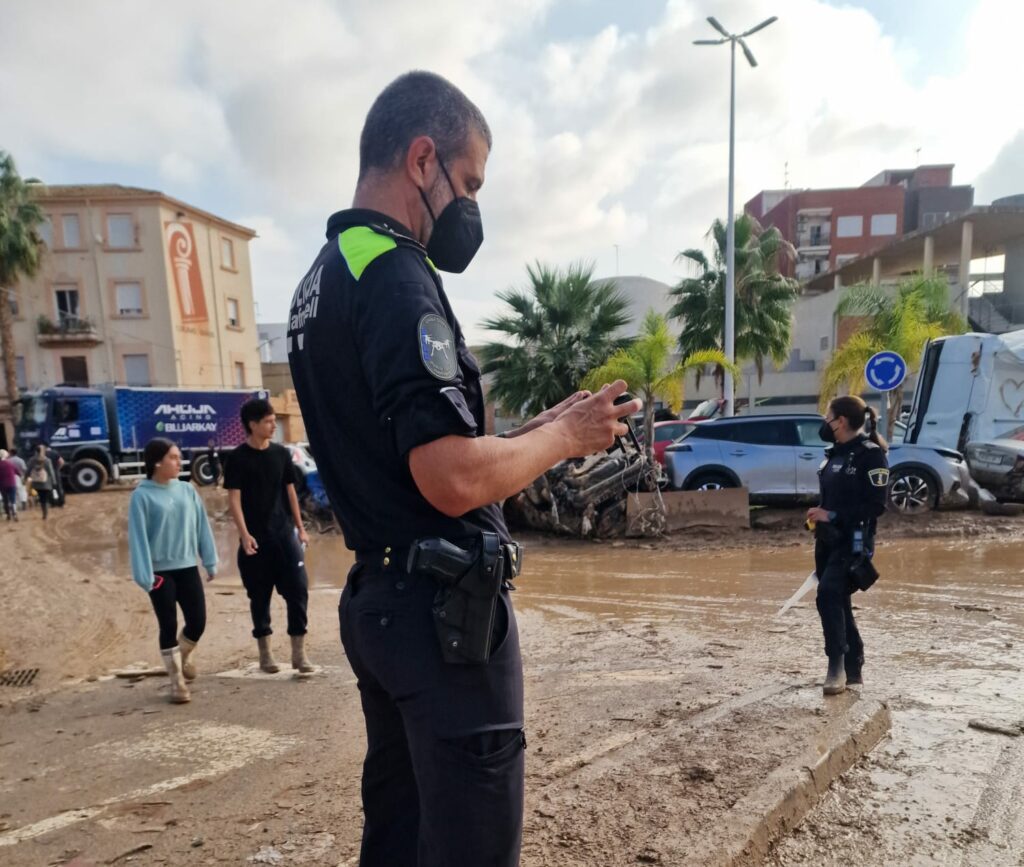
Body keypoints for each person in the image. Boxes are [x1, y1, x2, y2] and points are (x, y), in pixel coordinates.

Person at [286, 70, 642, 867]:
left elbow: (400, 443)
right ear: (422, 159)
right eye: (469, 181)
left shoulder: (326, 273)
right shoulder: (398, 274)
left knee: (403, 835)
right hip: (442, 616)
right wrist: (565, 442)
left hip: (381, 600)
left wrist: (544, 427)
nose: (472, 204)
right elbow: (447, 478)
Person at [223, 398, 314, 675]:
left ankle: (299, 654)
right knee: (259, 596)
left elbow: (289, 492)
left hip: (284, 535)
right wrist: (244, 534)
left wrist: (300, 527)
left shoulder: (281, 454)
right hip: (255, 539)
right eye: (268, 421)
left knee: (298, 590)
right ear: (253, 424)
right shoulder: (237, 458)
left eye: (274, 420)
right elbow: (234, 499)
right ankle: (266, 654)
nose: (274, 425)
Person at [806, 395, 889, 696]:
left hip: (853, 543)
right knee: (838, 600)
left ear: (840, 421)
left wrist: (834, 515)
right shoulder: (833, 454)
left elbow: (876, 506)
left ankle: (836, 669)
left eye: (827, 417)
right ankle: (855, 666)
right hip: (827, 541)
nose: (824, 423)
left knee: (827, 595)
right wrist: (820, 514)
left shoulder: (871, 455)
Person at [128, 438, 218, 704]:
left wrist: (209, 560)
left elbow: (202, 525)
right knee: (168, 623)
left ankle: (185, 655)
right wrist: (145, 577)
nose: (179, 462)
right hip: (159, 573)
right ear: (157, 462)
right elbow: (138, 539)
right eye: (174, 458)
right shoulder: (141, 496)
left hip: (188, 566)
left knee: (197, 622)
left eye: (179, 457)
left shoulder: (187, 490)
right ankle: (177, 682)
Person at [26, 445, 57, 520]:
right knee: (45, 499)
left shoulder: (32, 460)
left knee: (40, 497)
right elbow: (51, 472)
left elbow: (28, 470)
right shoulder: (47, 460)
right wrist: (54, 481)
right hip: (45, 483)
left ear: (35, 451)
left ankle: (41, 510)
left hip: (36, 483)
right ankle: (45, 514)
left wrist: (25, 478)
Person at [0, 450, 19, 522]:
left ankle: (8, 515)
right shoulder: (10, 464)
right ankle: (14, 513)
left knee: (5, 500)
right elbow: (17, 472)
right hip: (12, 483)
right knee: (13, 499)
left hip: (2, 485)